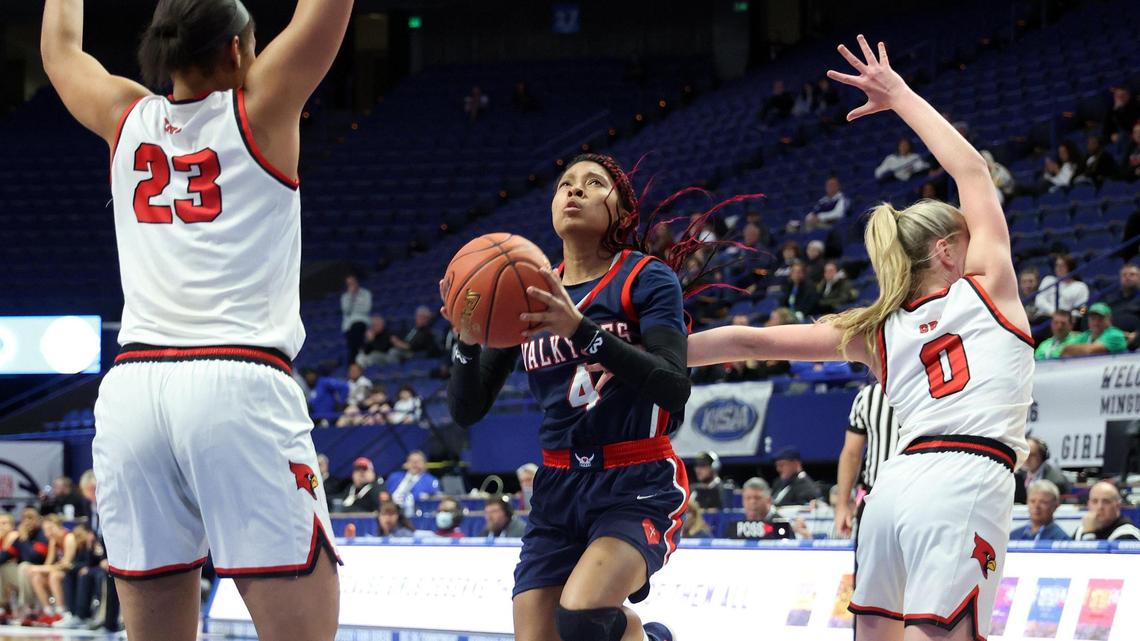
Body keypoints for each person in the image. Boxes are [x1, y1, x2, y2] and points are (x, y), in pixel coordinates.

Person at [688, 36, 1033, 641]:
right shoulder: (990, 286)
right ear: (947, 249)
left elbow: (747, 339)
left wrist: (625, 347)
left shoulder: (873, 327)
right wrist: (898, 94)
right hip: (966, 476)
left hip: (893, 487)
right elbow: (972, 168)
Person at [42, 0, 352, 636]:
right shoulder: (259, 108)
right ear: (238, 52)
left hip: (132, 390)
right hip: (237, 379)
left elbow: (61, 52)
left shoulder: (124, 114)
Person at [444, 152, 735, 641]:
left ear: (619, 212)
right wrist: (467, 339)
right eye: (565, 184)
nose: (574, 190)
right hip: (557, 485)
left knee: (580, 615)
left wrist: (581, 330)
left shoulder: (645, 277)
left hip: (636, 478)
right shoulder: (525, 292)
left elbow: (672, 383)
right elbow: (467, 409)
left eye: (593, 183)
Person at [835, 382, 900, 538]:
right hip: (877, 496)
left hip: (888, 495)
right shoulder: (868, 396)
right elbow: (851, 454)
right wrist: (842, 504)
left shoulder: (869, 395)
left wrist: (843, 504)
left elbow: (851, 454)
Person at [723, 478, 794, 540]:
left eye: (757, 498)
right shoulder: (736, 523)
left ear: (768, 500)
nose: (752, 502)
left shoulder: (780, 524)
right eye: (748, 498)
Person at [1073, 482, 1140, 541]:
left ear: (1117, 506)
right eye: (1095, 501)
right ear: (1088, 505)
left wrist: (1088, 535)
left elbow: (1093, 555)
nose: (1100, 507)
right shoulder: (1081, 531)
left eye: (1106, 502)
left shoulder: (1127, 534)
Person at [1060, 302, 1128, 357]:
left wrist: (1069, 349)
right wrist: (1067, 349)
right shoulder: (1087, 335)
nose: (1096, 322)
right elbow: (1064, 352)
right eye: (1093, 319)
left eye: (1100, 319)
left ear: (1109, 319)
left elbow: (1090, 351)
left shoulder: (1115, 334)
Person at [342, 273, 373, 365]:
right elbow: (346, 310)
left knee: (357, 329)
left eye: (352, 283)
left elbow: (366, 308)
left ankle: (359, 355)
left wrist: (356, 309)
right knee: (352, 346)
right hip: (348, 326)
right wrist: (351, 297)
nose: (351, 285)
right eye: (349, 284)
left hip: (362, 321)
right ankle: (356, 360)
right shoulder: (345, 297)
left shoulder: (366, 293)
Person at [1101, 263, 1140, 332]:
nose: (1127, 277)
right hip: (1109, 337)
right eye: (1124, 275)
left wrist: (1136, 336)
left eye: (1132, 274)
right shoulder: (1109, 299)